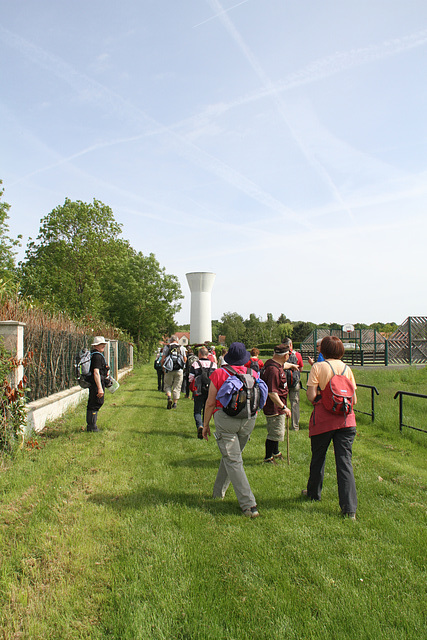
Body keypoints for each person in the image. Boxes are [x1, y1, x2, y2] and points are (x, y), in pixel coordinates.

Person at [202, 342, 261, 518]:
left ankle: (249, 505)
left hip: (225, 420)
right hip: (249, 420)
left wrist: (205, 425)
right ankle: (218, 492)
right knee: (232, 458)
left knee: (233, 460)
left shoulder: (220, 373)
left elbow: (211, 402)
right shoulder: (254, 373)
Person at [304, 336, 358, 519]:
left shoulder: (317, 367)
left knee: (318, 457)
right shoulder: (347, 368)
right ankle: (349, 509)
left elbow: (311, 396)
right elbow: (354, 399)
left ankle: (313, 493)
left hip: (324, 419)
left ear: (322, 350)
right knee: (345, 462)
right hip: (346, 420)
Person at [260, 344, 298, 463]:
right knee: (275, 432)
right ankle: (268, 457)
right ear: (286, 356)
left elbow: (283, 365)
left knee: (277, 430)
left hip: (278, 406)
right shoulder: (273, 370)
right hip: (275, 407)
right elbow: (272, 393)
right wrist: (284, 407)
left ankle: (275, 452)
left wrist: (291, 365)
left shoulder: (274, 364)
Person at [189, 347, 217, 439]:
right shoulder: (214, 365)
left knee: (197, 410)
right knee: (206, 409)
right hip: (210, 390)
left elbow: (190, 378)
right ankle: (205, 426)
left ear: (199, 354)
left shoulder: (195, 364)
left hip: (199, 390)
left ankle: (199, 426)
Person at [86, 336, 109, 432]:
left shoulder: (93, 354)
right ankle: (92, 427)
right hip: (96, 384)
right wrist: (99, 388)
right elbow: (96, 372)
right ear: (96, 345)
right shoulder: (97, 357)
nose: (103, 346)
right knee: (96, 403)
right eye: (101, 344)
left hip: (93, 383)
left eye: (103, 344)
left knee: (93, 403)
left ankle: (91, 426)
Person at [161, 336, 187, 409]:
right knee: (177, 387)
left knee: (168, 385)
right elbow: (185, 358)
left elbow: (163, 359)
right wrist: (182, 366)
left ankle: (169, 397)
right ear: (177, 340)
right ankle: (175, 403)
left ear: (170, 340)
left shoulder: (167, 347)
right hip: (179, 370)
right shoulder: (181, 347)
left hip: (169, 369)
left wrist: (163, 368)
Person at [283, 338, 303, 431]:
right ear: (291, 344)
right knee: (295, 404)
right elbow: (301, 368)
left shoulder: (281, 355)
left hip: (283, 383)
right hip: (295, 382)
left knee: (282, 404)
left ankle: (282, 425)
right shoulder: (297, 355)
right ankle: (295, 426)